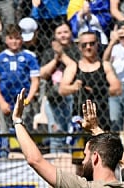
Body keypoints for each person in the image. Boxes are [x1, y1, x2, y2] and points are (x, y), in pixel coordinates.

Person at [59, 31, 121, 132]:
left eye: (92, 44)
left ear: (97, 45)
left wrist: (96, 90)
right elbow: (62, 89)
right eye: (84, 45)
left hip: (102, 113)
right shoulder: (73, 66)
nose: (88, 47)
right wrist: (74, 87)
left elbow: (117, 88)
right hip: (80, 114)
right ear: (79, 47)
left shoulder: (105, 65)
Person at [0, 24, 40, 130]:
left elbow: (35, 81)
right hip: (6, 100)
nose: (14, 41)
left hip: (23, 100)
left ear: (22, 39)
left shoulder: (29, 57)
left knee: (25, 129)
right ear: (6, 40)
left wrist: (28, 100)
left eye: (17, 38)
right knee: (6, 131)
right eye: (11, 38)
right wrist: (2, 102)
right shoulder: (0, 58)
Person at [38, 22, 79, 153]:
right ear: (55, 36)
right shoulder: (49, 53)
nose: (63, 35)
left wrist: (62, 54)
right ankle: (56, 162)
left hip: (72, 98)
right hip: (53, 98)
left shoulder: (76, 51)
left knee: (72, 135)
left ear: (71, 33)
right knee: (56, 136)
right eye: (59, 33)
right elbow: (42, 74)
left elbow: (75, 66)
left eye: (65, 32)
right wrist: (56, 59)